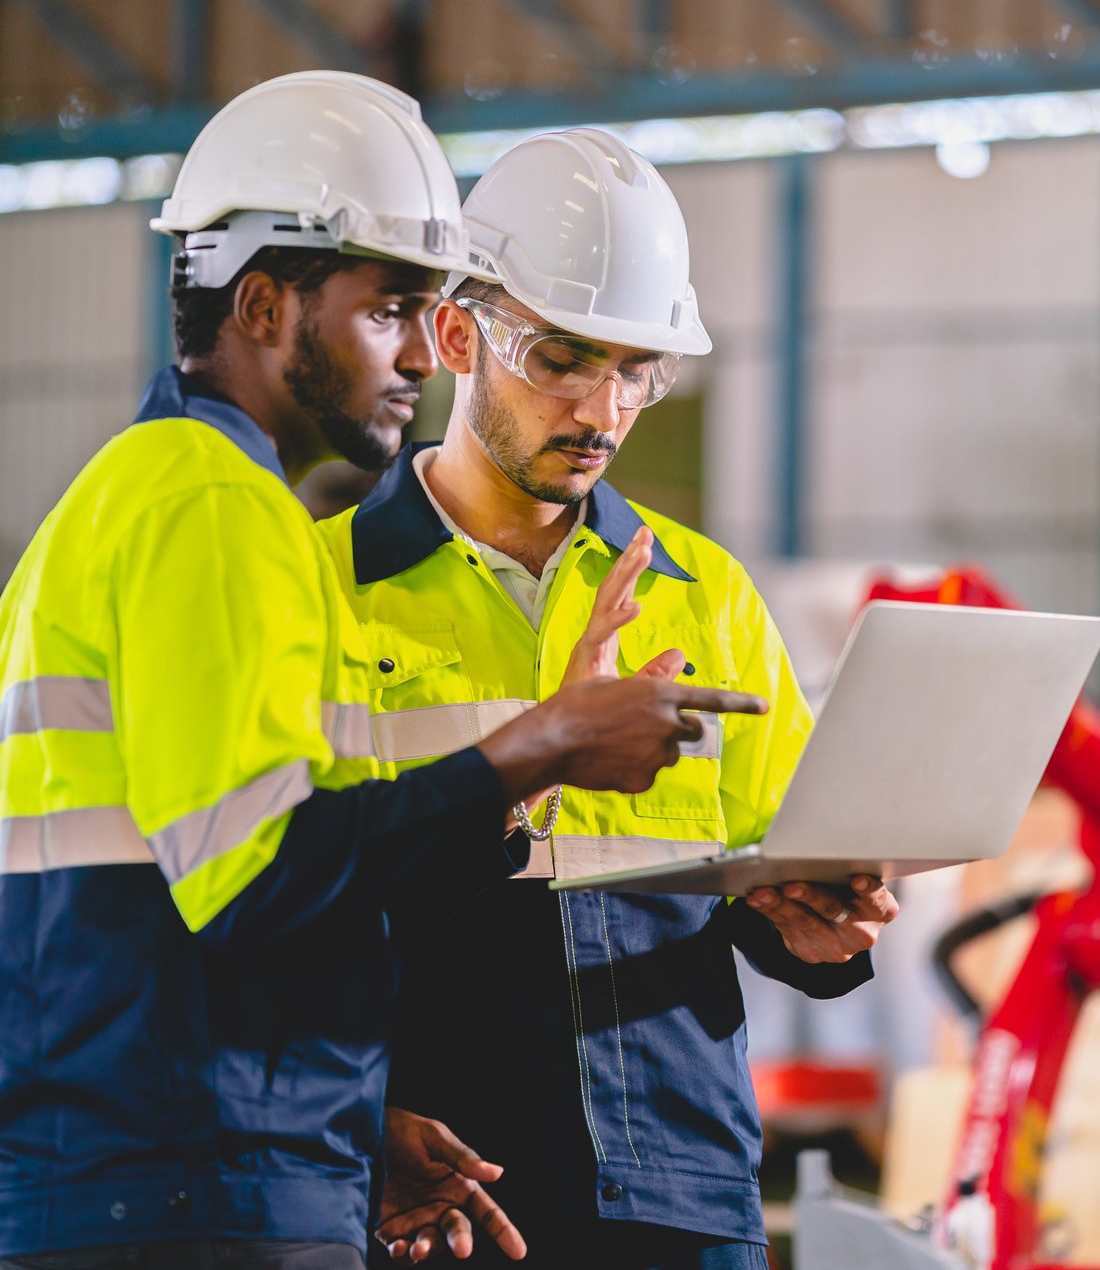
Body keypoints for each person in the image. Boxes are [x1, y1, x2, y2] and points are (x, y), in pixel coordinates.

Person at [0, 77, 765, 1270]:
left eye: (636, 371)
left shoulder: (162, 504)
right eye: (392, 309)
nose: (419, 347)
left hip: (219, 1167)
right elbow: (259, 877)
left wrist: (351, 1126)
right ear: (263, 305)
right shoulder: (218, 511)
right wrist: (541, 748)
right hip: (188, 1185)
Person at [317, 129, 899, 1270]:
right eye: (563, 358)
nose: (602, 409)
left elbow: (760, 867)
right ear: (453, 334)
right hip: (439, 1196)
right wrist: (347, 1125)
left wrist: (816, 925)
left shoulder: (703, 591)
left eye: (636, 370)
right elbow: (285, 904)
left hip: (680, 1192)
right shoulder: (325, 594)